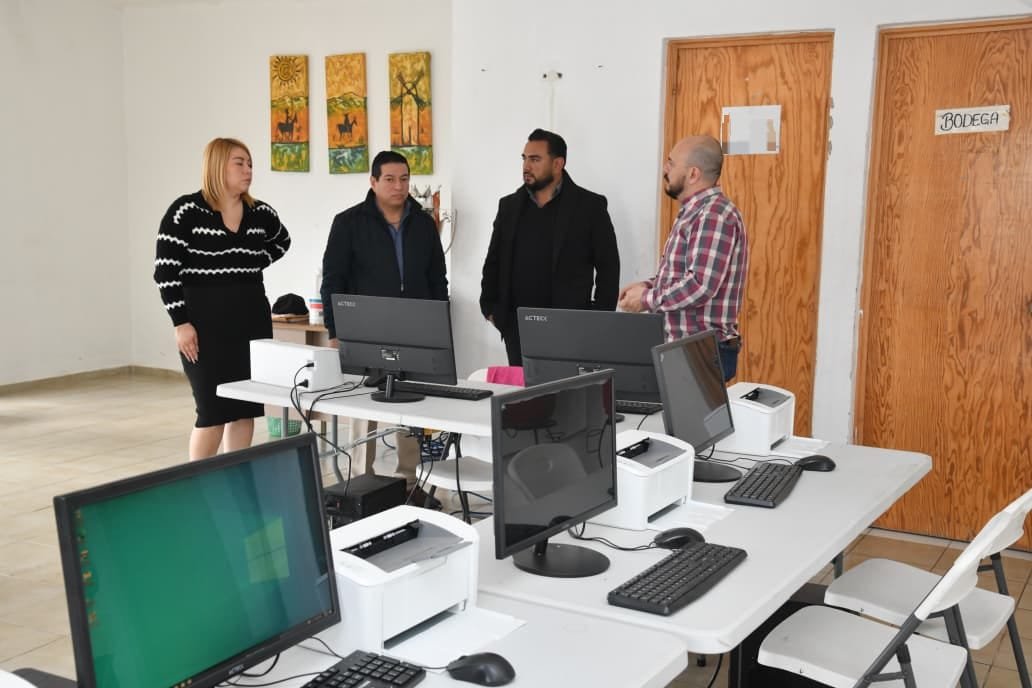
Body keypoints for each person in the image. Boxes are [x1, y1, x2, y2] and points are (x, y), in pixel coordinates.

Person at [320, 150, 448, 506]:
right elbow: (332, 281)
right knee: (366, 407)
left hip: (416, 331)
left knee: (413, 406)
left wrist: (439, 327)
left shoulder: (423, 224)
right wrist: (335, 331)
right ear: (373, 182)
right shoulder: (348, 223)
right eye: (389, 179)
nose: (398, 186)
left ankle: (410, 484)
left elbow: (438, 279)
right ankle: (362, 483)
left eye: (404, 179)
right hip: (366, 330)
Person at [154, 137, 291, 460]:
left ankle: (235, 474)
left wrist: (247, 263)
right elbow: (165, 272)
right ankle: (199, 480)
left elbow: (282, 242)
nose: (248, 170)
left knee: (245, 407)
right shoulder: (186, 211)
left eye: (250, 163)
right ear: (217, 166)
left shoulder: (261, 212)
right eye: (239, 163)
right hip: (203, 324)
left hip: (251, 320)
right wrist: (181, 323)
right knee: (212, 411)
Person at [480, 128, 620, 365]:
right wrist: (490, 307)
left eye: (535, 159)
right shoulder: (509, 206)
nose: (526, 166)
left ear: (557, 164)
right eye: (524, 158)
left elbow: (609, 267)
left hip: (570, 328)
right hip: (518, 327)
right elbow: (493, 260)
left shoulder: (589, 206)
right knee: (522, 388)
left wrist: (597, 319)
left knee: (566, 388)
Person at [618, 135, 748, 381]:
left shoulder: (713, 215)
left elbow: (700, 285)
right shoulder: (696, 212)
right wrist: (647, 285)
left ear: (693, 174)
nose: (665, 169)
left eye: (671, 162)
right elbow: (682, 276)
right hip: (688, 349)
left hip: (700, 352)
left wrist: (646, 299)